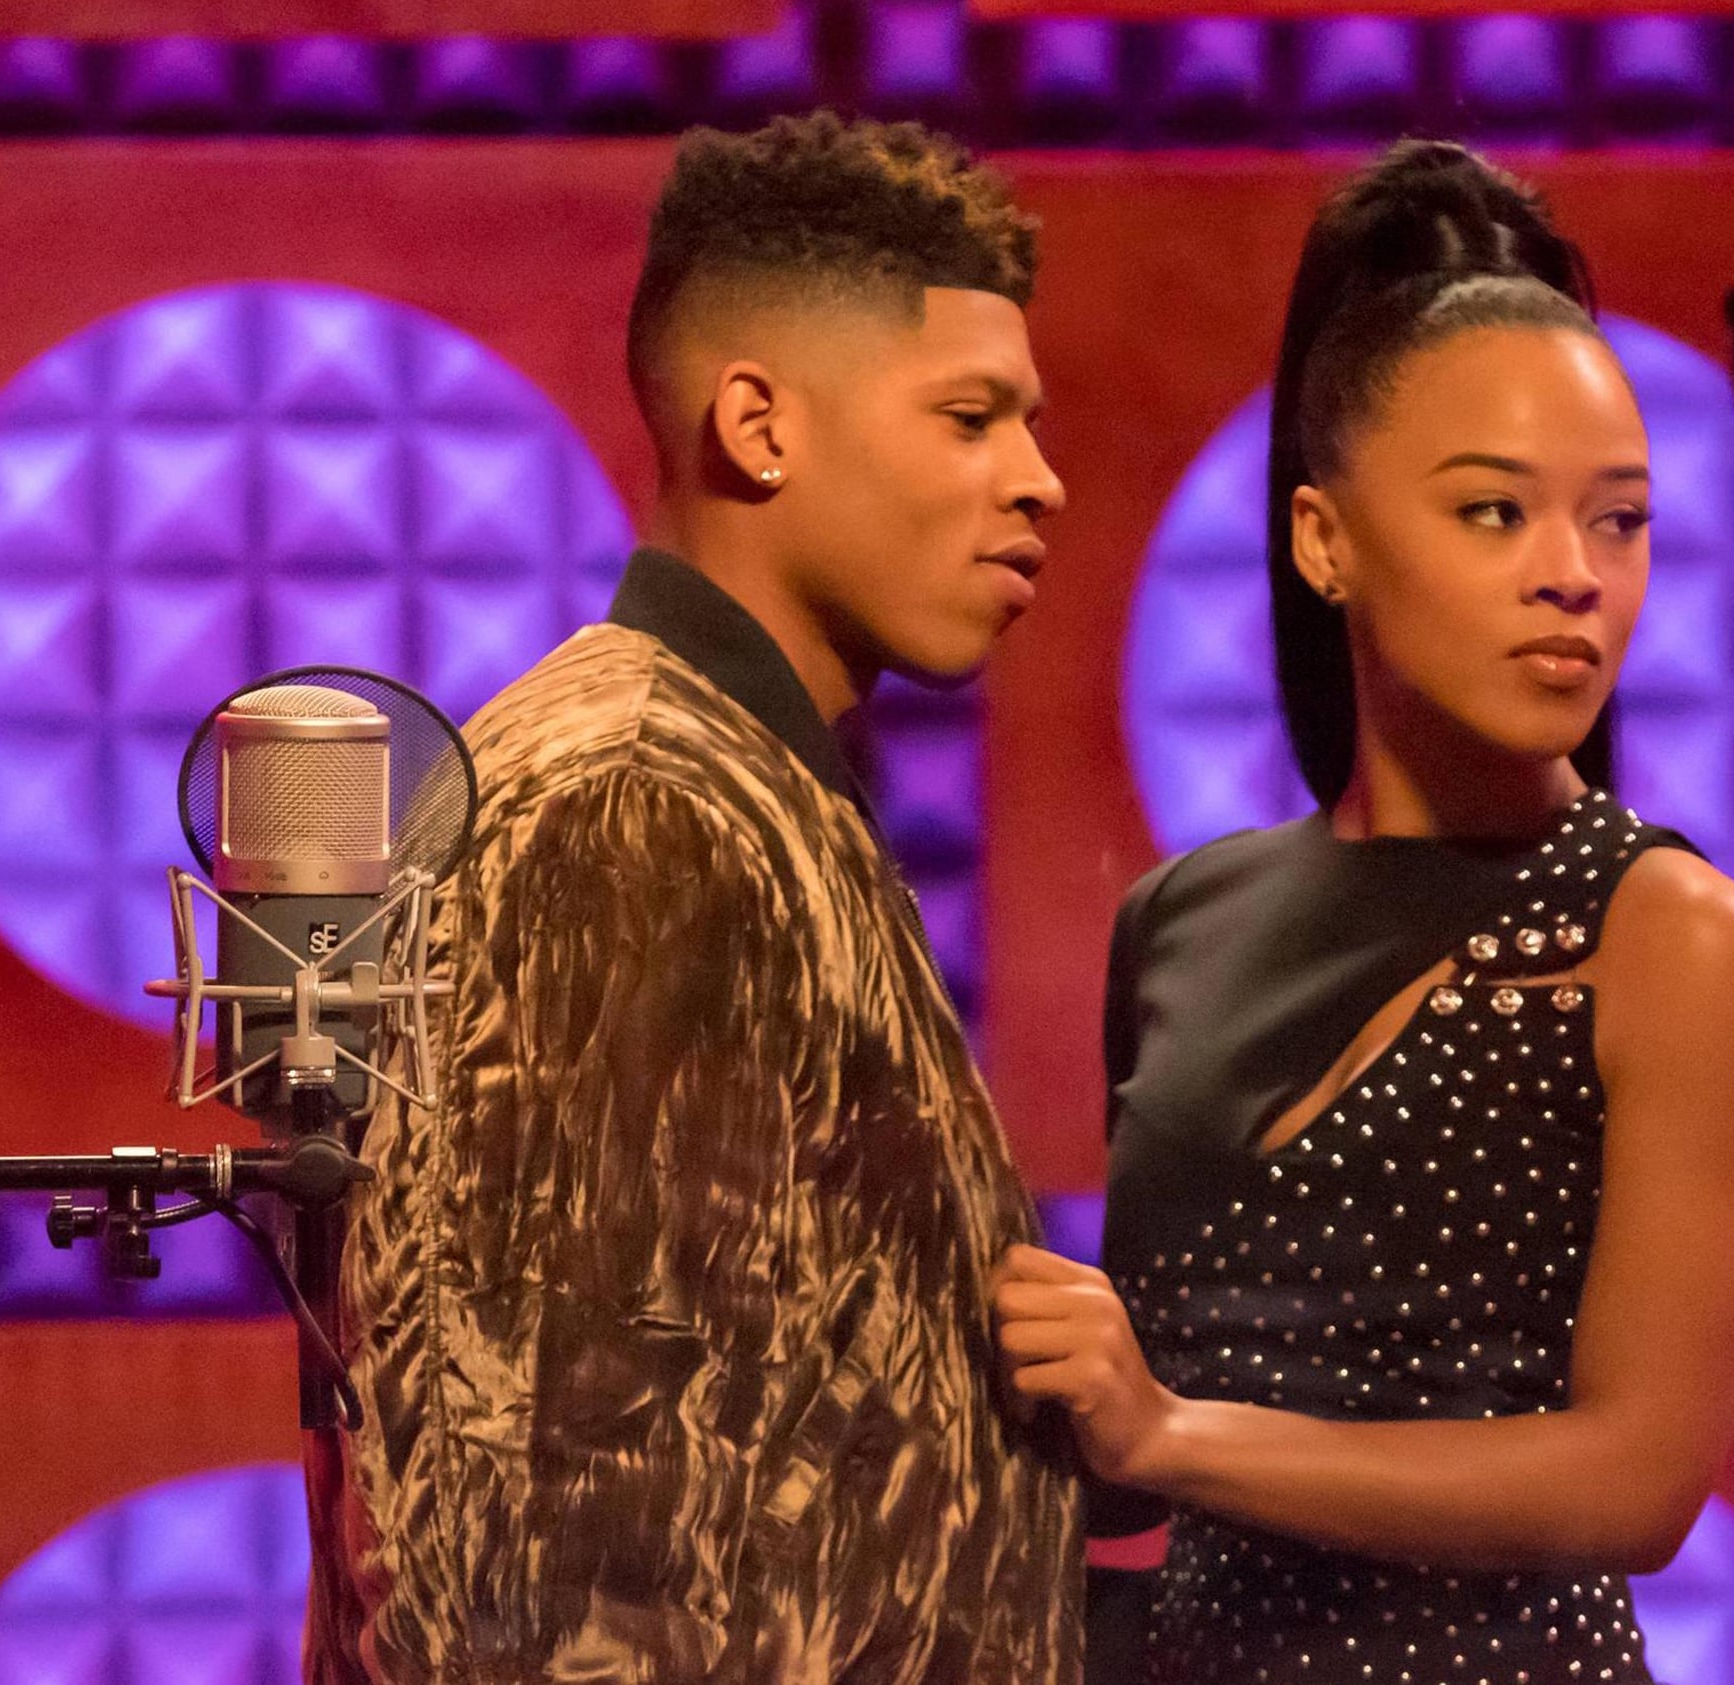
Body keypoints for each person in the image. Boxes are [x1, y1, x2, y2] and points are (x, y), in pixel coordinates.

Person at [993, 140, 1734, 1684]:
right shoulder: (1180, 917)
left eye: (1619, 521)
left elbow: (1635, 1482)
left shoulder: (1676, 938)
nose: (1573, 577)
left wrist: (1173, 1433)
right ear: (1323, 539)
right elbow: (1125, 1444)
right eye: (1494, 512)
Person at [306, 112, 1079, 1684]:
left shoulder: (735, 781)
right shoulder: (636, 804)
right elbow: (574, 1539)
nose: (1040, 481)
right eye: (971, 418)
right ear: (758, 424)